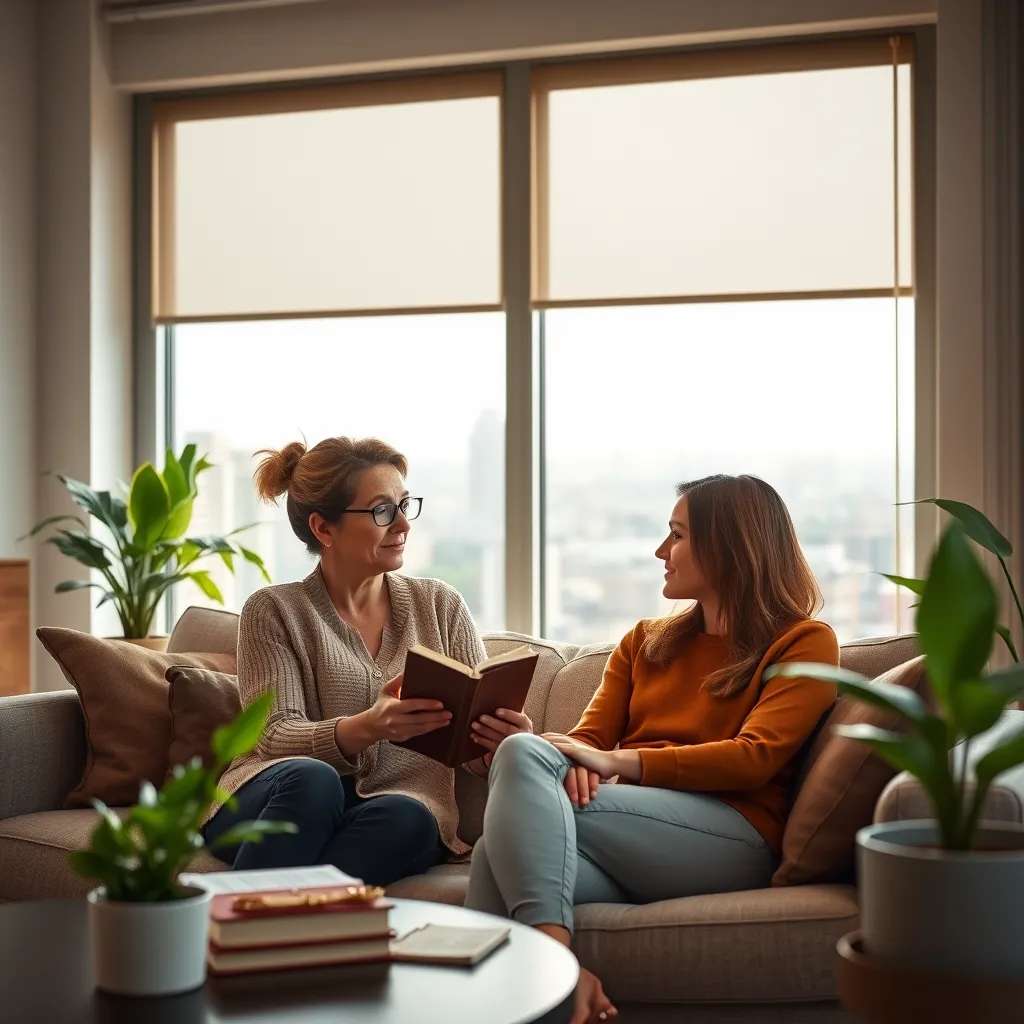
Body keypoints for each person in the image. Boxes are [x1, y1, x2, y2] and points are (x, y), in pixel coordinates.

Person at [465, 474, 840, 1024]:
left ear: (730, 544)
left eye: (677, 535)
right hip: (636, 838)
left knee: (523, 765)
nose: (661, 551)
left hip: (732, 836)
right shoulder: (645, 641)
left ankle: (555, 967)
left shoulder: (804, 640)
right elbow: (586, 743)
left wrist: (618, 763)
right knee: (493, 852)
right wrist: (565, 754)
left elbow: (754, 755)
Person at [202, 436, 531, 886]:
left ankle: (274, 928)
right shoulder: (274, 610)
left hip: (386, 812)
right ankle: (247, 934)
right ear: (324, 529)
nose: (403, 525)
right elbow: (274, 735)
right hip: (275, 799)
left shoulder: (440, 605)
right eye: (381, 511)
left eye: (404, 505)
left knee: (411, 817)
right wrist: (370, 726)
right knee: (313, 781)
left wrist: (502, 744)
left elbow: (467, 752)